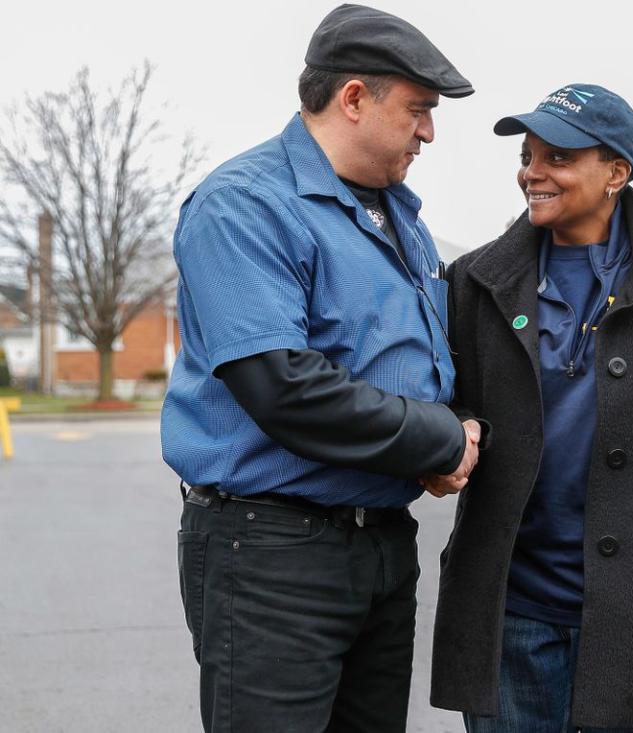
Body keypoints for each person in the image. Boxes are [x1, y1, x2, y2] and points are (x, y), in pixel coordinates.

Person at [161, 5, 480, 731]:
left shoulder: (398, 217)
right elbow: (283, 387)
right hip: (272, 554)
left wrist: (456, 428)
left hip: (381, 545)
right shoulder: (245, 205)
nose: (428, 131)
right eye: (419, 110)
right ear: (355, 98)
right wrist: (437, 440)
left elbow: (422, 364)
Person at [428, 84, 633, 732]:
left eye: (557, 157)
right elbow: (443, 400)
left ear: (616, 172)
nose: (531, 172)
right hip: (510, 616)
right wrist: (441, 440)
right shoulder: (473, 282)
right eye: (526, 155)